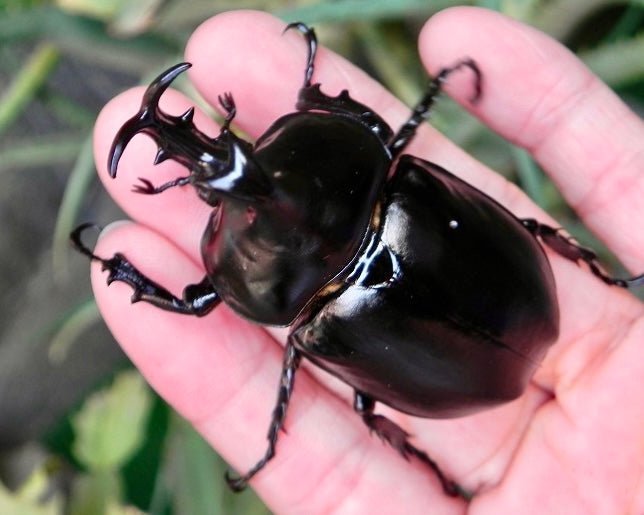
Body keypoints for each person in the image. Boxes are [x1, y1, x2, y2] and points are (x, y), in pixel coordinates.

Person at [87, 7, 644, 513]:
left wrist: (126, 274)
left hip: (490, 331)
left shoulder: (303, 301)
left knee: (365, 408)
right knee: (522, 227)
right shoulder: (385, 170)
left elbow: (193, 305)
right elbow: (369, 132)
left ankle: (426, 465)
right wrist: (312, 98)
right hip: (516, 299)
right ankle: (593, 274)